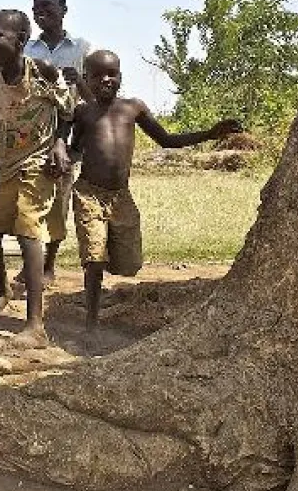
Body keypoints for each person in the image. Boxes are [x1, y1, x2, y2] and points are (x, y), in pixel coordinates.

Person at [70, 50, 242, 333]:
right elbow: (75, 148)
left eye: (111, 74)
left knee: (129, 264)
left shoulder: (132, 108)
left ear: (121, 77)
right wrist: (62, 154)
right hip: (89, 193)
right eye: (97, 75)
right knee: (94, 259)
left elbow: (167, 140)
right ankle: (91, 322)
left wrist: (210, 133)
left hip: (120, 196)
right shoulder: (83, 113)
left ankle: (100, 292)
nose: (105, 80)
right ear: (85, 80)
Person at [0, 10, 71, 346]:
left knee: (30, 234)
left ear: (22, 41)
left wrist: (59, 144)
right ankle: (3, 289)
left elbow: (68, 111)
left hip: (40, 165)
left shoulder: (42, 72)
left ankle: (35, 325)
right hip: (7, 166)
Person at [23, 0, 94, 285]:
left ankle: (49, 265)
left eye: (48, 6)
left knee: (57, 201)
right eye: (36, 7)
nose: (41, 12)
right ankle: (31, 265)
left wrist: (78, 81)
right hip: (31, 135)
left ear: (64, 9)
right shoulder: (27, 48)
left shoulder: (81, 48)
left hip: (66, 136)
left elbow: (93, 99)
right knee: (27, 201)